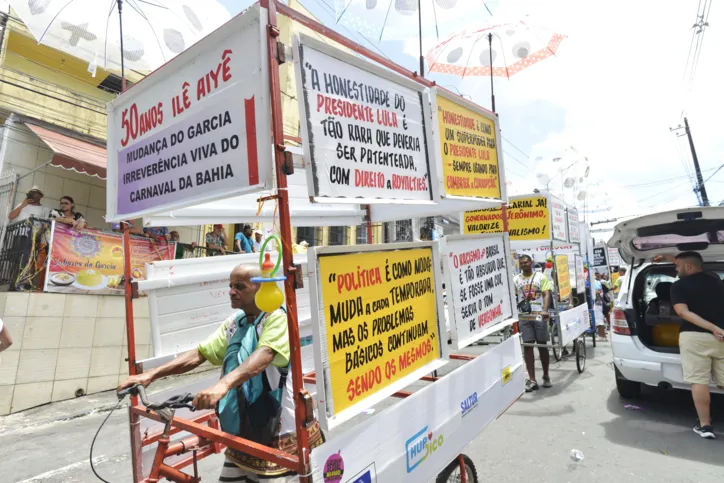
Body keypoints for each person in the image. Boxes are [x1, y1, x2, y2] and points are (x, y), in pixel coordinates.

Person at [118, 264, 324, 481]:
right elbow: (200, 353)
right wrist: (150, 375)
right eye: (230, 286)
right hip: (244, 428)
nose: (231, 291)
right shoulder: (236, 323)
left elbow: (265, 353)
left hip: (279, 429)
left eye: (239, 286)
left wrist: (222, 385)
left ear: (261, 289)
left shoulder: (276, 318)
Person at [657, 251, 724, 440]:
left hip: (695, 338)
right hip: (722, 336)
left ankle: (705, 425)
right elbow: (689, 263)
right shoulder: (716, 281)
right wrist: (718, 329)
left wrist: (711, 328)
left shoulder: (678, 286)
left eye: (677, 267)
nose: (676, 270)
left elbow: (683, 313)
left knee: (699, 381)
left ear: (688, 267)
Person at [514, 254, 553, 392]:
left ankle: (546, 376)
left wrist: (545, 310)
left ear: (531, 262)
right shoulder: (516, 280)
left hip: (538, 315)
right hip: (524, 317)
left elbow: (546, 294)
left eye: (526, 262)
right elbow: (512, 296)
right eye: (521, 263)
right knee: (528, 347)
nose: (524, 264)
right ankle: (532, 379)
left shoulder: (540, 277)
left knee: (542, 346)